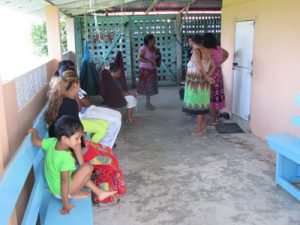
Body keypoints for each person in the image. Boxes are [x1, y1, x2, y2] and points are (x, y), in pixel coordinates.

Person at [29, 115, 117, 215]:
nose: (79, 141)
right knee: (87, 167)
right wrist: (66, 203)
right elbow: (64, 181)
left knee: (84, 169)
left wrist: (35, 131)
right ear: (65, 139)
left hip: (55, 188)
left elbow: (35, 141)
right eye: (77, 138)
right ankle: (74, 194)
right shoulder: (66, 158)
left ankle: (99, 193)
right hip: (62, 193)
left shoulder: (52, 142)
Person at [45, 70, 109, 164]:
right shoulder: (70, 104)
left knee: (105, 148)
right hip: (70, 146)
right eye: (78, 82)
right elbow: (75, 131)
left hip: (63, 140)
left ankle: (92, 147)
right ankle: (91, 149)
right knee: (108, 160)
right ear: (75, 85)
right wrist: (83, 149)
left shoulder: (59, 99)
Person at [55, 60, 122, 149]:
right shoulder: (69, 100)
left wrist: (79, 96)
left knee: (114, 118)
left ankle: (103, 145)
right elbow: (80, 108)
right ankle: (97, 148)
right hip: (81, 118)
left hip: (84, 113)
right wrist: (77, 96)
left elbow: (87, 102)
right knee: (112, 123)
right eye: (78, 82)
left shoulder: (68, 93)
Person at [183, 34, 216, 136]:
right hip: (203, 82)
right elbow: (213, 66)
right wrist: (208, 77)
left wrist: (207, 77)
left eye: (190, 42)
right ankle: (203, 128)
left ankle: (198, 130)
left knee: (198, 108)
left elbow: (200, 68)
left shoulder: (196, 52)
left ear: (192, 42)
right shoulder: (206, 51)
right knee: (202, 106)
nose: (189, 43)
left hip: (196, 83)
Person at [202, 33, 229, 125]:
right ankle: (214, 118)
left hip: (209, 74)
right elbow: (227, 54)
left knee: (207, 96)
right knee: (215, 97)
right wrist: (220, 62)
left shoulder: (205, 50)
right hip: (218, 74)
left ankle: (205, 119)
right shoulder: (219, 49)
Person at [138, 34, 161, 110]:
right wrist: (149, 62)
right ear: (149, 40)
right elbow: (140, 58)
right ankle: (147, 104)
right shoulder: (143, 48)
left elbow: (156, 58)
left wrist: (158, 56)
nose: (155, 40)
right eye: (153, 39)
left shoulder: (154, 48)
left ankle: (148, 103)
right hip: (145, 70)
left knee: (150, 87)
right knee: (147, 87)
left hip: (152, 70)